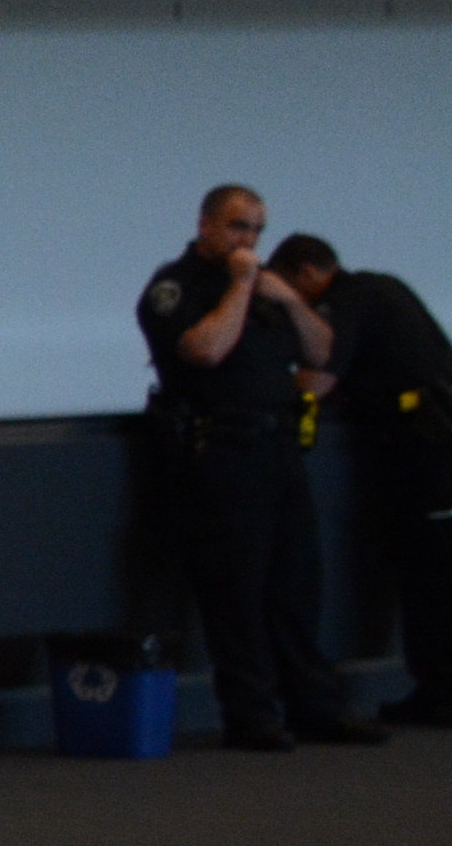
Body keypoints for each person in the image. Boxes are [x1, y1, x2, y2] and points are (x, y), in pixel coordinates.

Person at [141, 184, 376, 749]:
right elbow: (205, 350)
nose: (248, 240)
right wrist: (242, 287)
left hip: (280, 450)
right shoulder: (178, 286)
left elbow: (321, 352)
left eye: (256, 229)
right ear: (205, 225)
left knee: (296, 586)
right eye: (237, 226)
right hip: (223, 451)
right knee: (237, 590)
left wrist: (289, 299)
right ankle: (251, 715)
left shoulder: (272, 291)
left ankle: (314, 707)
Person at [275, 233, 452, 718]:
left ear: (306, 273)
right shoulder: (381, 290)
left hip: (426, 448)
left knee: (430, 571)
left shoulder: (346, 300)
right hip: (428, 441)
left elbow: (317, 378)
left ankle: (441, 691)